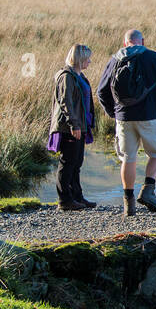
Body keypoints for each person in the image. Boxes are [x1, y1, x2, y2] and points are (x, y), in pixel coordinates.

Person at [97, 29, 156, 216]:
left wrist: (113, 112)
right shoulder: (153, 57)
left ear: (125, 43)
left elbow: (101, 91)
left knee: (127, 158)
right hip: (150, 116)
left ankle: (128, 204)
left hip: (123, 117)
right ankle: (148, 190)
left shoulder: (115, 59)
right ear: (142, 41)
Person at [49, 44, 96, 210]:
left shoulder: (79, 76)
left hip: (81, 125)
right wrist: (74, 125)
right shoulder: (66, 76)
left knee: (77, 162)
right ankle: (64, 200)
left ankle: (77, 196)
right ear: (79, 59)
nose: (90, 61)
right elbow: (66, 103)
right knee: (67, 162)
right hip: (69, 127)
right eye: (87, 58)